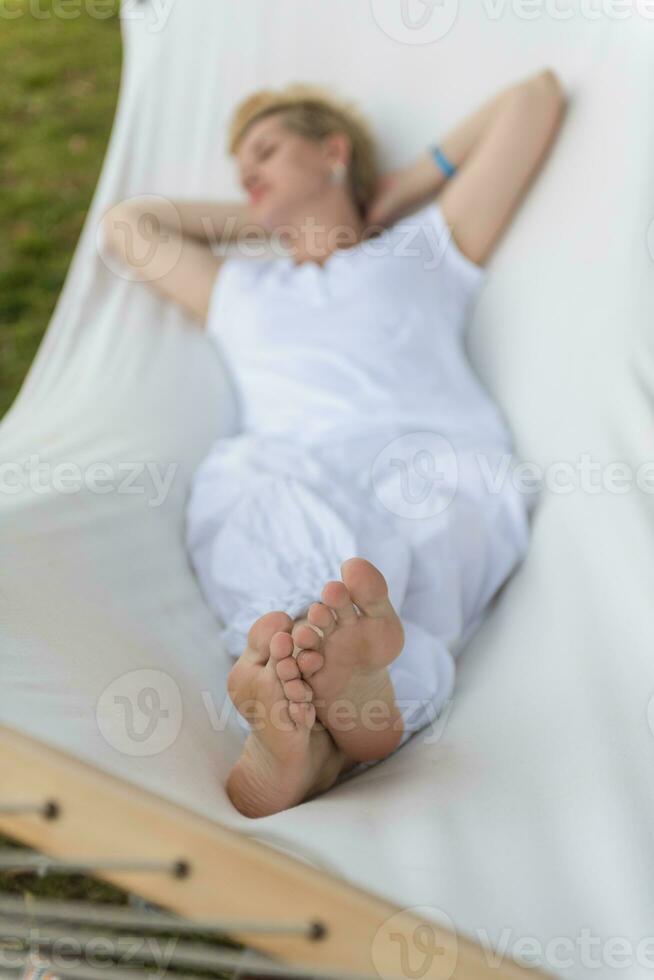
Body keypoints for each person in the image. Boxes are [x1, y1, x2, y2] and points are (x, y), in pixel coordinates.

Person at [101, 70, 566, 818]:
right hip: (290, 466)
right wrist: (274, 217)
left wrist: (399, 189)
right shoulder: (243, 293)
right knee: (252, 502)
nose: (248, 173)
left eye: (267, 150)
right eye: (240, 169)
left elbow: (534, 97)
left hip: (426, 465)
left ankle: (320, 716)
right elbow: (128, 224)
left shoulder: (424, 251)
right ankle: (325, 717)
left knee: (399, 555)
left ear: (333, 151)